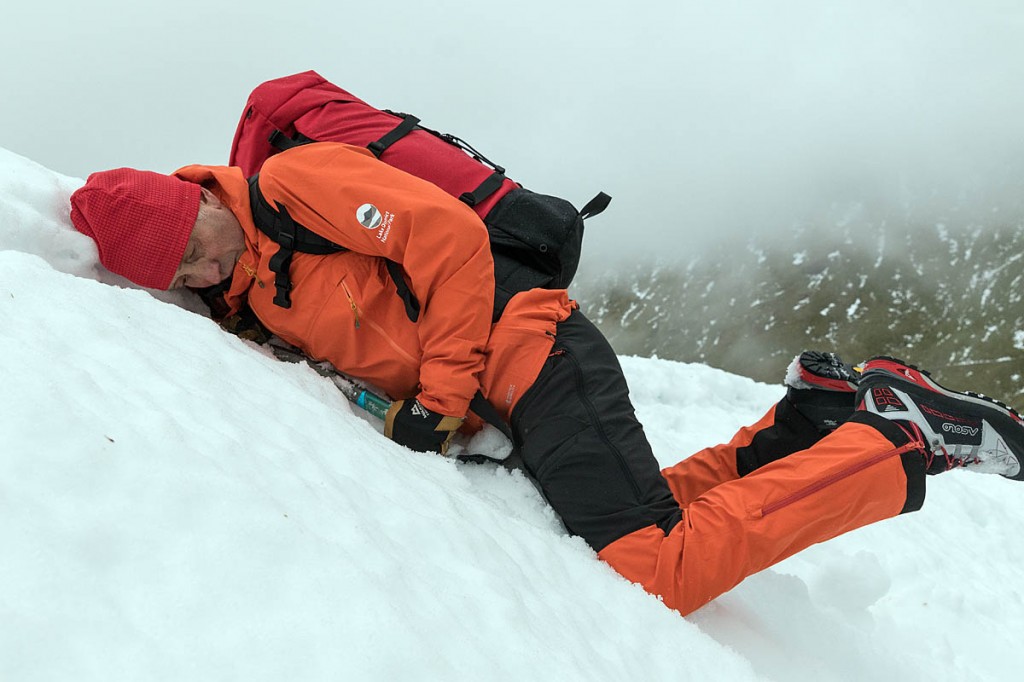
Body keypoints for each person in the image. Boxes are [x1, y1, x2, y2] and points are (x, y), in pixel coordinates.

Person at [69, 140, 1024, 616]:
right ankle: (807, 428)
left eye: (194, 244)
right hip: (507, 388)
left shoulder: (295, 184)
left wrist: (439, 401)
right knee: (647, 520)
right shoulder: (244, 290)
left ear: (194, 197)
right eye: (181, 273)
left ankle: (899, 436)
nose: (201, 269)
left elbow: (447, 238)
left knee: (650, 567)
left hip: (532, 349)